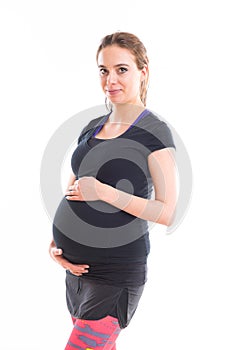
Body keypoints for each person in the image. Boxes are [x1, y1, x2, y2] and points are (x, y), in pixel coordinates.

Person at [49, 31, 177, 350]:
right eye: (104, 70)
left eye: (122, 69)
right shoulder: (91, 127)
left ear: (142, 72)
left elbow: (166, 211)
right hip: (77, 276)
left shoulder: (154, 132)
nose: (111, 80)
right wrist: (58, 242)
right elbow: (77, 187)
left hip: (115, 274)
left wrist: (106, 193)